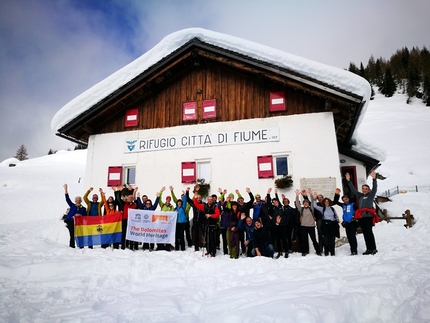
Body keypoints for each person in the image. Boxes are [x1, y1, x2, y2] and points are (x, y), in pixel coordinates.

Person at [346, 170, 379, 255]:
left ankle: (373, 248)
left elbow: (375, 188)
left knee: (369, 233)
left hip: (368, 217)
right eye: (363, 189)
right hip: (362, 217)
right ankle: (368, 249)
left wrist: (374, 179)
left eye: (366, 189)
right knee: (365, 233)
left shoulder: (370, 196)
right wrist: (349, 181)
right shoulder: (360, 196)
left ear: (368, 190)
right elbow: (353, 190)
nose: (364, 190)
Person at [193, 186, 221, 257]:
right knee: (206, 239)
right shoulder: (204, 206)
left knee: (212, 239)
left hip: (212, 225)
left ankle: (213, 252)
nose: (210, 201)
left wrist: (211, 215)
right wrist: (196, 196)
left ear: (213, 200)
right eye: (209, 199)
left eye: (211, 199)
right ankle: (208, 250)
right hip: (205, 225)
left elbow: (217, 214)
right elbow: (196, 204)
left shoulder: (215, 207)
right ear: (207, 200)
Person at [312, 189, 340, 256]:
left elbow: (336, 215)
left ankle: (332, 252)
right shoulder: (322, 209)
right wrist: (315, 198)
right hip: (326, 225)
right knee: (326, 239)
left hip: (332, 224)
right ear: (324, 203)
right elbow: (315, 206)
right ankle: (326, 252)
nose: (327, 203)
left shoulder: (332, 209)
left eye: (328, 202)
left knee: (332, 239)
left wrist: (337, 219)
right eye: (325, 202)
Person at [295, 189, 321, 256]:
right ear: (303, 204)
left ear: (308, 204)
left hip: (311, 226)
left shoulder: (311, 209)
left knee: (314, 240)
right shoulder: (302, 209)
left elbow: (312, 202)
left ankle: (318, 251)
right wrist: (297, 196)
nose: (305, 203)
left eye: (306, 202)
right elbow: (297, 204)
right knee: (304, 240)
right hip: (303, 226)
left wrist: (311, 195)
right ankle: (304, 252)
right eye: (304, 203)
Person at [333, 188, 359, 255]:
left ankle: (354, 250)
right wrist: (337, 194)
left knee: (353, 237)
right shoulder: (343, 205)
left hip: (352, 222)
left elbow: (358, 211)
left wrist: (356, 218)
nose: (345, 201)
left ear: (348, 199)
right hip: (347, 223)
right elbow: (335, 202)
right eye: (343, 200)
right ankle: (352, 250)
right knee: (349, 237)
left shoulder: (353, 204)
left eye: (346, 199)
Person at [114, 185, 138, 250]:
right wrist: (119, 191)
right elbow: (118, 198)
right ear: (127, 199)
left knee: (131, 233)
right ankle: (123, 246)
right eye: (129, 198)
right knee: (124, 233)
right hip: (124, 220)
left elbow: (136, 199)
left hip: (132, 221)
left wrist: (134, 191)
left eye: (131, 198)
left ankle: (131, 247)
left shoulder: (135, 205)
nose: (130, 199)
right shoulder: (124, 204)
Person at [63, 184, 87, 248]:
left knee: (79, 234)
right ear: (75, 201)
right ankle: (72, 246)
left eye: (79, 200)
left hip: (79, 223)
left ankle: (81, 246)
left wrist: (80, 215)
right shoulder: (72, 206)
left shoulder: (83, 208)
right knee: (72, 234)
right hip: (71, 221)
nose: (78, 201)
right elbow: (67, 199)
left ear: (81, 201)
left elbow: (85, 216)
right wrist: (65, 190)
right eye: (77, 200)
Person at [236, 188, 255, 254]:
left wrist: (249, 192)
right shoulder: (237, 207)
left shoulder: (247, 205)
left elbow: (252, 199)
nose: (241, 202)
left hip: (248, 223)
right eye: (239, 201)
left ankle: (249, 248)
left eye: (242, 200)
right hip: (240, 223)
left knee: (249, 236)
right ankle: (243, 249)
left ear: (243, 201)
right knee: (241, 237)